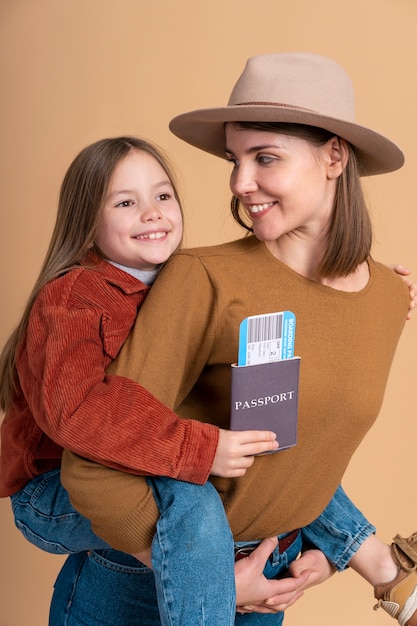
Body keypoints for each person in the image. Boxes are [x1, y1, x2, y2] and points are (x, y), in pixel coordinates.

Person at [58, 53, 417, 625]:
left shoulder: (387, 299)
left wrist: (324, 549)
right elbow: (97, 450)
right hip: (137, 582)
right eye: (235, 159)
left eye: (265, 157)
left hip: (269, 577)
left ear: (334, 156)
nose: (238, 182)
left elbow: (302, 446)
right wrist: (191, 572)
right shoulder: (204, 278)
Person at [0, 135, 288, 625]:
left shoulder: (184, 281)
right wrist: (197, 449)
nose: (152, 213)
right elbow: (79, 409)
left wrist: (372, 291)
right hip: (53, 490)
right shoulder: (75, 297)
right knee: (194, 495)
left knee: (280, 452)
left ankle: (383, 568)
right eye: (126, 202)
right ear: (87, 221)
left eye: (162, 195)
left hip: (141, 462)